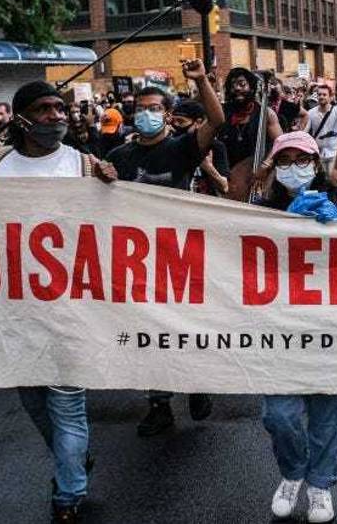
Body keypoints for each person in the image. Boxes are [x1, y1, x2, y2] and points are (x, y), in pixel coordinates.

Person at [0, 81, 117, 523]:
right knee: (32, 400)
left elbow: (109, 227)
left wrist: (110, 188)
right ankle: (72, 460)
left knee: (67, 402)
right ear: (21, 119)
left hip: (68, 309)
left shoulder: (82, 164)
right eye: (45, 109)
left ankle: (69, 492)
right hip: (15, 308)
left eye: (61, 108)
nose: (57, 116)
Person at [104, 60, 222, 437]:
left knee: (186, 325)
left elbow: (216, 121)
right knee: (148, 333)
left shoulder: (182, 148)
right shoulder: (119, 158)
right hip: (138, 261)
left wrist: (201, 80)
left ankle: (198, 378)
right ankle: (159, 404)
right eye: (141, 109)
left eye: (155, 109)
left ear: (168, 115)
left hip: (181, 255)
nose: (147, 115)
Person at [258, 131, 337, 524]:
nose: (293, 168)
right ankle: (292, 471)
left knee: (328, 411)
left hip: (329, 324)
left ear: (316, 164)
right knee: (279, 415)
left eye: (302, 159)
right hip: (278, 326)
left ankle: (319, 485)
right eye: (284, 160)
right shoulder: (257, 210)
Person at [218, 67, 283, 202]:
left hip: (258, 176)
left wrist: (266, 165)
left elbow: (280, 142)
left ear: (252, 88)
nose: (237, 88)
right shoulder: (222, 112)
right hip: (229, 177)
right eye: (233, 85)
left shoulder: (266, 113)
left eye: (242, 84)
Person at [172, 98, 230, 196]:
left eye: (181, 122)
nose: (176, 126)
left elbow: (224, 187)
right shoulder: (173, 144)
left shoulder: (215, 147)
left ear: (198, 123)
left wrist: (208, 167)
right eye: (174, 121)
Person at [306, 83, 337, 175]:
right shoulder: (311, 113)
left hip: (335, 154)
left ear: (330, 97)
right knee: (320, 182)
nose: (321, 97)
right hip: (318, 155)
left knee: (334, 182)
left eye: (324, 94)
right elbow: (306, 131)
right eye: (319, 94)